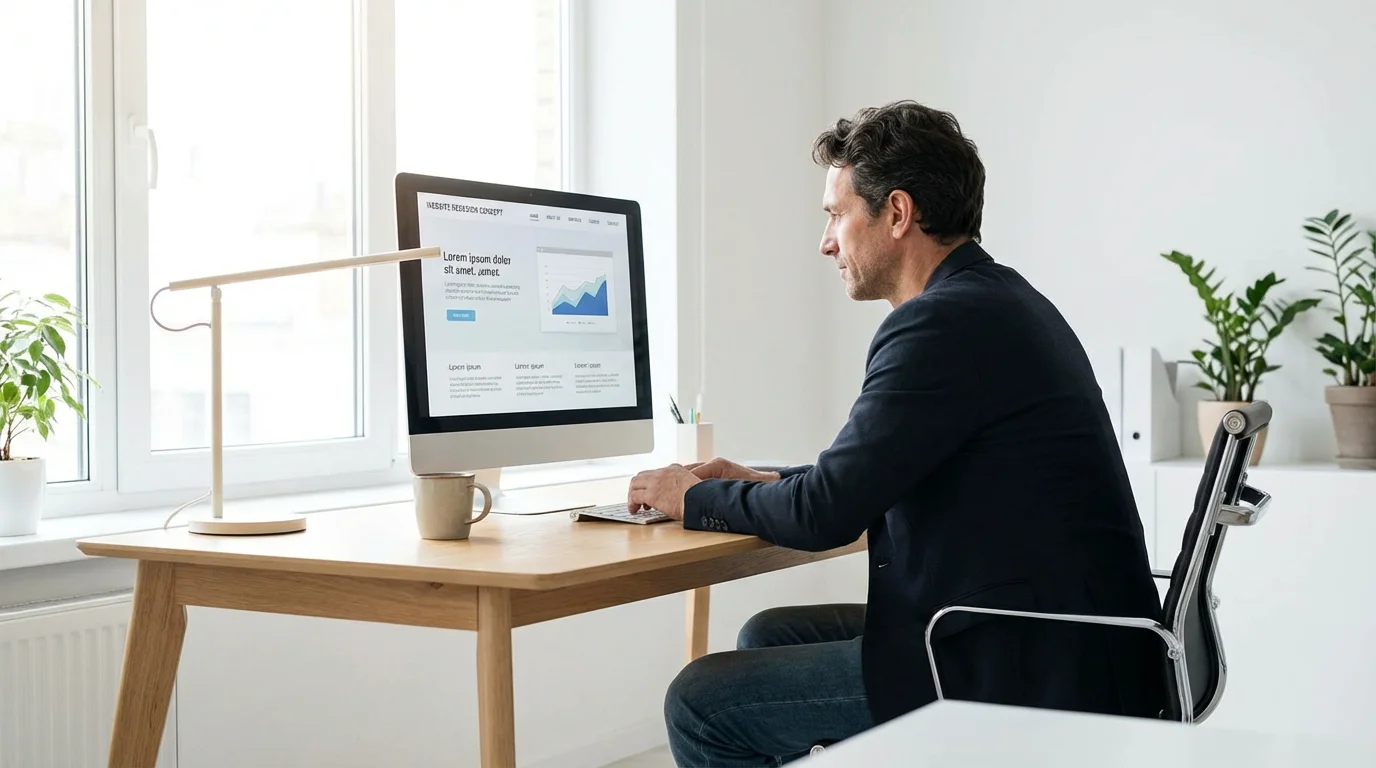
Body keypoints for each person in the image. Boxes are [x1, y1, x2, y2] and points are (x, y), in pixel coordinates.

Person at [627, 100, 1167, 767]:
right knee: (768, 632)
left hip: (1024, 667)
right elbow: (863, 480)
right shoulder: (995, 301)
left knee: (699, 700)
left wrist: (690, 496)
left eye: (835, 214)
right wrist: (764, 482)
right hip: (1060, 639)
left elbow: (827, 513)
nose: (826, 242)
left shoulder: (943, 326)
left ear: (898, 213)